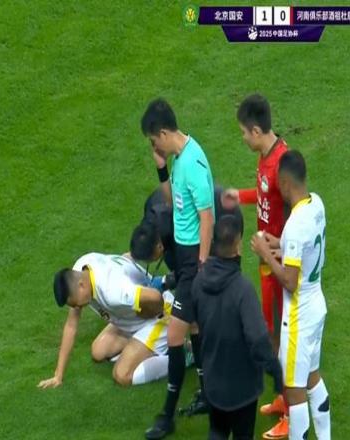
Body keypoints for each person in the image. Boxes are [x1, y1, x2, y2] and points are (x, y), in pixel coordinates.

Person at [141, 98, 215, 439]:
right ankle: (208, 394)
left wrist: (201, 264)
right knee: (194, 326)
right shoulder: (179, 160)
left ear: (162, 133)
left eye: (153, 141)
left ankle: (167, 416)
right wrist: (160, 168)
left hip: (193, 260)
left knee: (175, 335)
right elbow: (173, 204)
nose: (154, 147)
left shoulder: (193, 164)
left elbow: (206, 218)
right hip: (186, 256)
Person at [251, 151, 331, 440]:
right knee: (312, 378)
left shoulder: (295, 224)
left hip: (299, 315)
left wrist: (265, 254)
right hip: (317, 303)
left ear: (285, 183)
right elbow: (303, 248)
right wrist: (280, 244)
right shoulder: (316, 204)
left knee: (295, 393)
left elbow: (289, 280)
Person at [192, 215, 283, 440]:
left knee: (217, 431)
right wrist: (274, 370)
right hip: (242, 388)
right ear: (238, 246)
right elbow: (258, 338)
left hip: (213, 380)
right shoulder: (242, 290)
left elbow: (196, 324)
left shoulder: (198, 282)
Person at [37, 252, 173, 389]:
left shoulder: (112, 291)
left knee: (122, 375)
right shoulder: (80, 270)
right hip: (130, 318)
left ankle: (179, 357)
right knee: (98, 351)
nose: (77, 307)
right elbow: (71, 326)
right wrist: (58, 375)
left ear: (81, 285)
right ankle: (139, 347)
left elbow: (155, 297)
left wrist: (147, 314)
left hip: (160, 315)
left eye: (75, 303)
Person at [221, 94, 289, 355]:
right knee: (269, 307)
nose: (243, 138)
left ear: (257, 131)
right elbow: (265, 194)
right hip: (265, 249)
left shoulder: (282, 164)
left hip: (278, 253)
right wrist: (240, 196)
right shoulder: (265, 154)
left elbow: (296, 211)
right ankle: (272, 352)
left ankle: (278, 362)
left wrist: (282, 245)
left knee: (277, 310)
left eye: (244, 132)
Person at [132, 185, 244, 274]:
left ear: (159, 246)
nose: (151, 261)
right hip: (210, 197)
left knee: (219, 271)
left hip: (225, 214)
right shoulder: (152, 208)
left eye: (151, 259)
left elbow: (191, 266)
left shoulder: (179, 234)